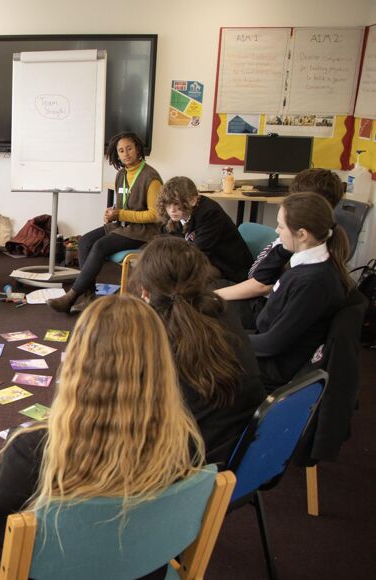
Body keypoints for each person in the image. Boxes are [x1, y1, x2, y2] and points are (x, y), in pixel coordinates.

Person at [0, 295, 205, 580]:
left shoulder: (33, 449)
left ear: (79, 361)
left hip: (51, 573)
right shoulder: (184, 440)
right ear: (161, 364)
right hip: (141, 570)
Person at [135, 236, 264, 464]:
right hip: (244, 451)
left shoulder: (159, 339)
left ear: (145, 292)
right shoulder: (224, 311)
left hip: (193, 466)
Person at [48, 132, 162, 314]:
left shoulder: (151, 177)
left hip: (142, 231)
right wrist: (112, 214)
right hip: (122, 226)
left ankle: (72, 296)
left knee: (100, 246)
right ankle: (89, 296)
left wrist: (121, 214)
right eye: (121, 151)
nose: (125, 154)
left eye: (129, 148)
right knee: (84, 241)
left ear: (138, 149)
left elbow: (155, 215)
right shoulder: (121, 175)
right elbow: (122, 205)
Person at [215, 168, 344, 328]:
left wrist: (214, 296)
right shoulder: (300, 240)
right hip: (257, 297)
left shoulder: (301, 248)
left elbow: (261, 286)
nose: (278, 230)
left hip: (260, 306)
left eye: (294, 197)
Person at [251, 192, 351, 389]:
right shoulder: (307, 265)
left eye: (281, 226)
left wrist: (223, 342)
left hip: (273, 368)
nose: (276, 231)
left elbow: (273, 343)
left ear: (302, 234)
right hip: (267, 346)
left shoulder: (312, 283)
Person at [157, 176, 253, 283]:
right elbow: (165, 243)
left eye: (176, 203)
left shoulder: (210, 213)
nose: (171, 210)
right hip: (203, 258)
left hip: (227, 266)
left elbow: (196, 252)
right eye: (168, 203)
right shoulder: (175, 214)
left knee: (177, 275)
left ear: (193, 200)